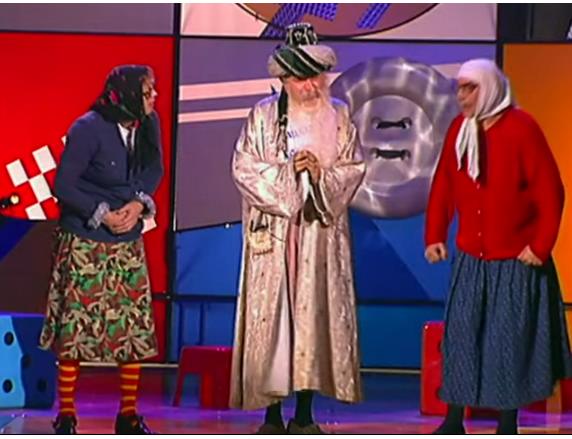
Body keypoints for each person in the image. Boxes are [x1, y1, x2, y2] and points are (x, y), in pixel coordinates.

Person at [229, 23, 365, 434]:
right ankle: (271, 413)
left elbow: (353, 167)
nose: (310, 86)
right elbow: (244, 168)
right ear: (284, 79)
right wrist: (289, 174)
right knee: (275, 321)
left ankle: (305, 412)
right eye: (301, 78)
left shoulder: (339, 114)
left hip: (319, 232)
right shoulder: (263, 115)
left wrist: (321, 176)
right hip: (275, 233)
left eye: (316, 77)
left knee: (312, 320)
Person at [425, 58, 572, 434]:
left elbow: (551, 191)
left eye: (469, 88)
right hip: (471, 259)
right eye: (459, 88)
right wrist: (435, 235)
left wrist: (540, 246)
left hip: (515, 260)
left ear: (490, 88)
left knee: (507, 344)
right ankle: (453, 420)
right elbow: (444, 183)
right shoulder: (459, 129)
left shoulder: (522, 128)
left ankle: (507, 424)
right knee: (461, 339)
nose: (461, 96)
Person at [39, 65, 163, 435]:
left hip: (127, 239)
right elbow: (63, 185)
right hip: (85, 241)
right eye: (147, 92)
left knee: (132, 329)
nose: (154, 97)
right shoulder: (88, 128)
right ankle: (66, 416)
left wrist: (139, 205)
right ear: (127, 95)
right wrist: (103, 214)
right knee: (75, 329)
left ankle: (128, 415)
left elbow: (154, 169)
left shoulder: (149, 123)